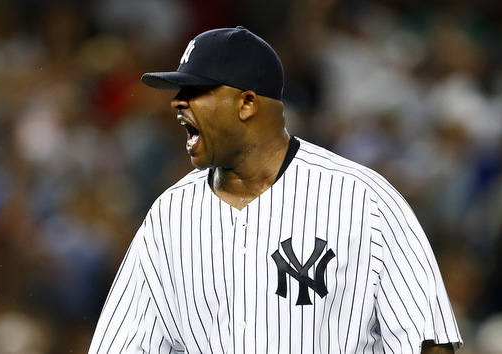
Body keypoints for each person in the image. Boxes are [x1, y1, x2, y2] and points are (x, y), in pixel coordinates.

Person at [88, 26, 463, 353]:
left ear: (247, 103)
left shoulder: (364, 200)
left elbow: (427, 341)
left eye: (196, 89)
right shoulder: (169, 217)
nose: (177, 100)